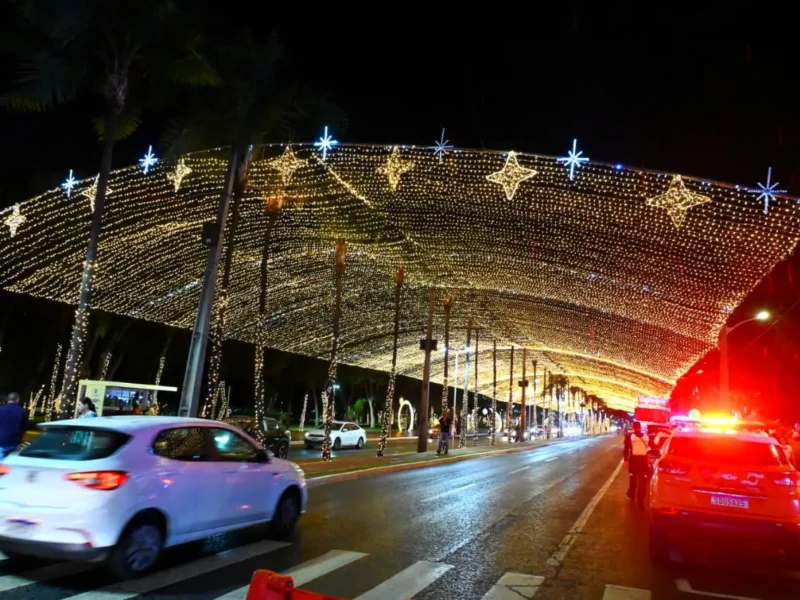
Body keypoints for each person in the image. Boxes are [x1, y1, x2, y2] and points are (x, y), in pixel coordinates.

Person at [623, 421, 649, 506]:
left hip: (633, 460)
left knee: (633, 477)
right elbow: (650, 448)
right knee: (643, 480)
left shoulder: (630, 436)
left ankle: (632, 493)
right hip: (643, 461)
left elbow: (626, 449)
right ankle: (641, 499)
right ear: (640, 427)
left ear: (634, 427)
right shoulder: (646, 436)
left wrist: (626, 460)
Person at [0, 392, 29, 459]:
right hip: (15, 441)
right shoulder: (23, 411)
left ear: (7, 399)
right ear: (17, 399)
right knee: (11, 462)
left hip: (1, 441)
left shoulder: (1, 409)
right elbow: (24, 428)